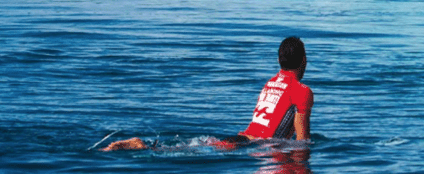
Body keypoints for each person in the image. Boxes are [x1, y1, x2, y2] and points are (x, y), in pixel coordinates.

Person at [102, 36, 314, 151]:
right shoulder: (302, 91)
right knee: (177, 152)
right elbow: (302, 142)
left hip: (240, 138)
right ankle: (142, 146)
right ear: (303, 60)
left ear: (279, 60)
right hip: (253, 145)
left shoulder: (270, 83)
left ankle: (145, 146)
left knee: (188, 148)